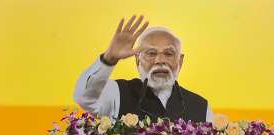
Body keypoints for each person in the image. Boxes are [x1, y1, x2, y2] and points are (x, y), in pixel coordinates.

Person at [74, 15, 213, 122]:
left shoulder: (201, 107)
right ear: (137, 60)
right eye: (151, 53)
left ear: (180, 61)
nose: (160, 60)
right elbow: (84, 98)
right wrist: (109, 58)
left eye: (169, 53)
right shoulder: (117, 93)